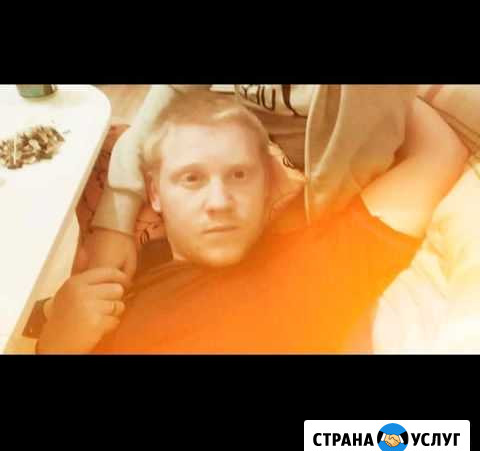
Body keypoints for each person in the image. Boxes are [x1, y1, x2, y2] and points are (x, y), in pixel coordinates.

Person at [35, 92, 468, 354]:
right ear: (155, 194)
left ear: (269, 187)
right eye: (192, 179)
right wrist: (56, 339)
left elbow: (438, 154)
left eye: (240, 175)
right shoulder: (122, 279)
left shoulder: (312, 264)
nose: (219, 202)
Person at [85, 85, 417, 281]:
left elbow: (349, 171)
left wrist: (290, 244)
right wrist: (113, 225)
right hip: (238, 146)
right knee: (94, 166)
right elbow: (168, 100)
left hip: (303, 184)